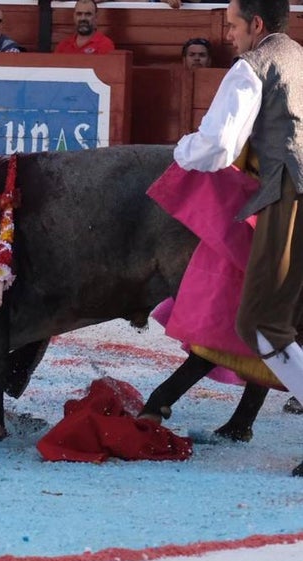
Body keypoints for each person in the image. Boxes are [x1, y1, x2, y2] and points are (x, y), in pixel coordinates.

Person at [171, 0, 303, 475]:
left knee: (263, 324)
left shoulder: (252, 67)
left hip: (290, 197)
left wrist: (181, 150)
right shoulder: (299, 58)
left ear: (257, 24)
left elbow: (217, 147)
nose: (228, 35)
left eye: (232, 24)